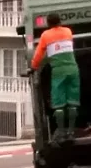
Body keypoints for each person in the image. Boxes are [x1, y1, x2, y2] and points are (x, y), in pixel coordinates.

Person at [31, 13, 81, 143]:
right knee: (72, 101)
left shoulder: (46, 35)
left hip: (59, 71)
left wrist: (34, 66)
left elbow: (38, 55)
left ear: (48, 23)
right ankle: (71, 132)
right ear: (60, 21)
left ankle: (61, 132)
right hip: (73, 69)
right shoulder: (68, 31)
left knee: (59, 103)